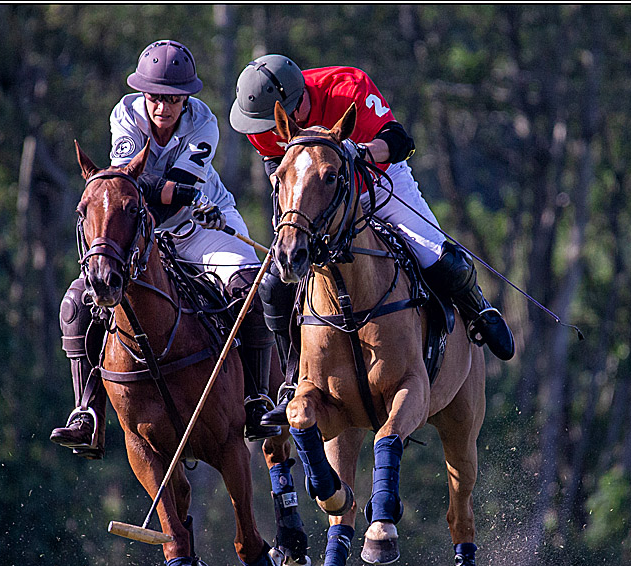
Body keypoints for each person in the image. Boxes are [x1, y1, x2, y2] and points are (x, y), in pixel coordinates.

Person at [229, 55, 516, 426]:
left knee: (442, 259)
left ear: (295, 101)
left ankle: (478, 310)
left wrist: (361, 152)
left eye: (274, 119)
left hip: (377, 182)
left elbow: (399, 142)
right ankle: (290, 379)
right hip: (313, 202)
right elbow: (274, 164)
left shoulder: (347, 87)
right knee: (274, 285)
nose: (268, 128)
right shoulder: (262, 119)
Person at [50, 40, 280, 459]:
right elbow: (131, 181)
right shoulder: (124, 113)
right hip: (137, 229)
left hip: (200, 225)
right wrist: (141, 192)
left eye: (174, 99)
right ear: (143, 94)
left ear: (186, 98)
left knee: (251, 287)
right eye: (155, 97)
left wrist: (143, 188)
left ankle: (257, 398)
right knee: (76, 303)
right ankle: (87, 411)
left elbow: (175, 194)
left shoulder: (204, 123)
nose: (164, 107)